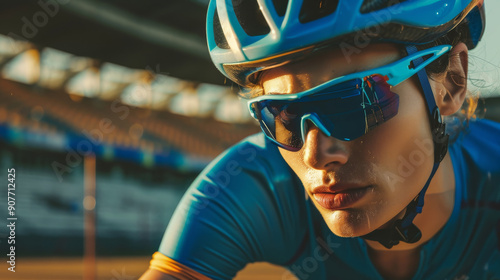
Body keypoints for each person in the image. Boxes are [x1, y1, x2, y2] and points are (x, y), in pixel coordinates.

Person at [140, 0, 500, 279]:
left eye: (356, 101)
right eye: (281, 115)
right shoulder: (253, 185)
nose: (315, 154)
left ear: (452, 80)